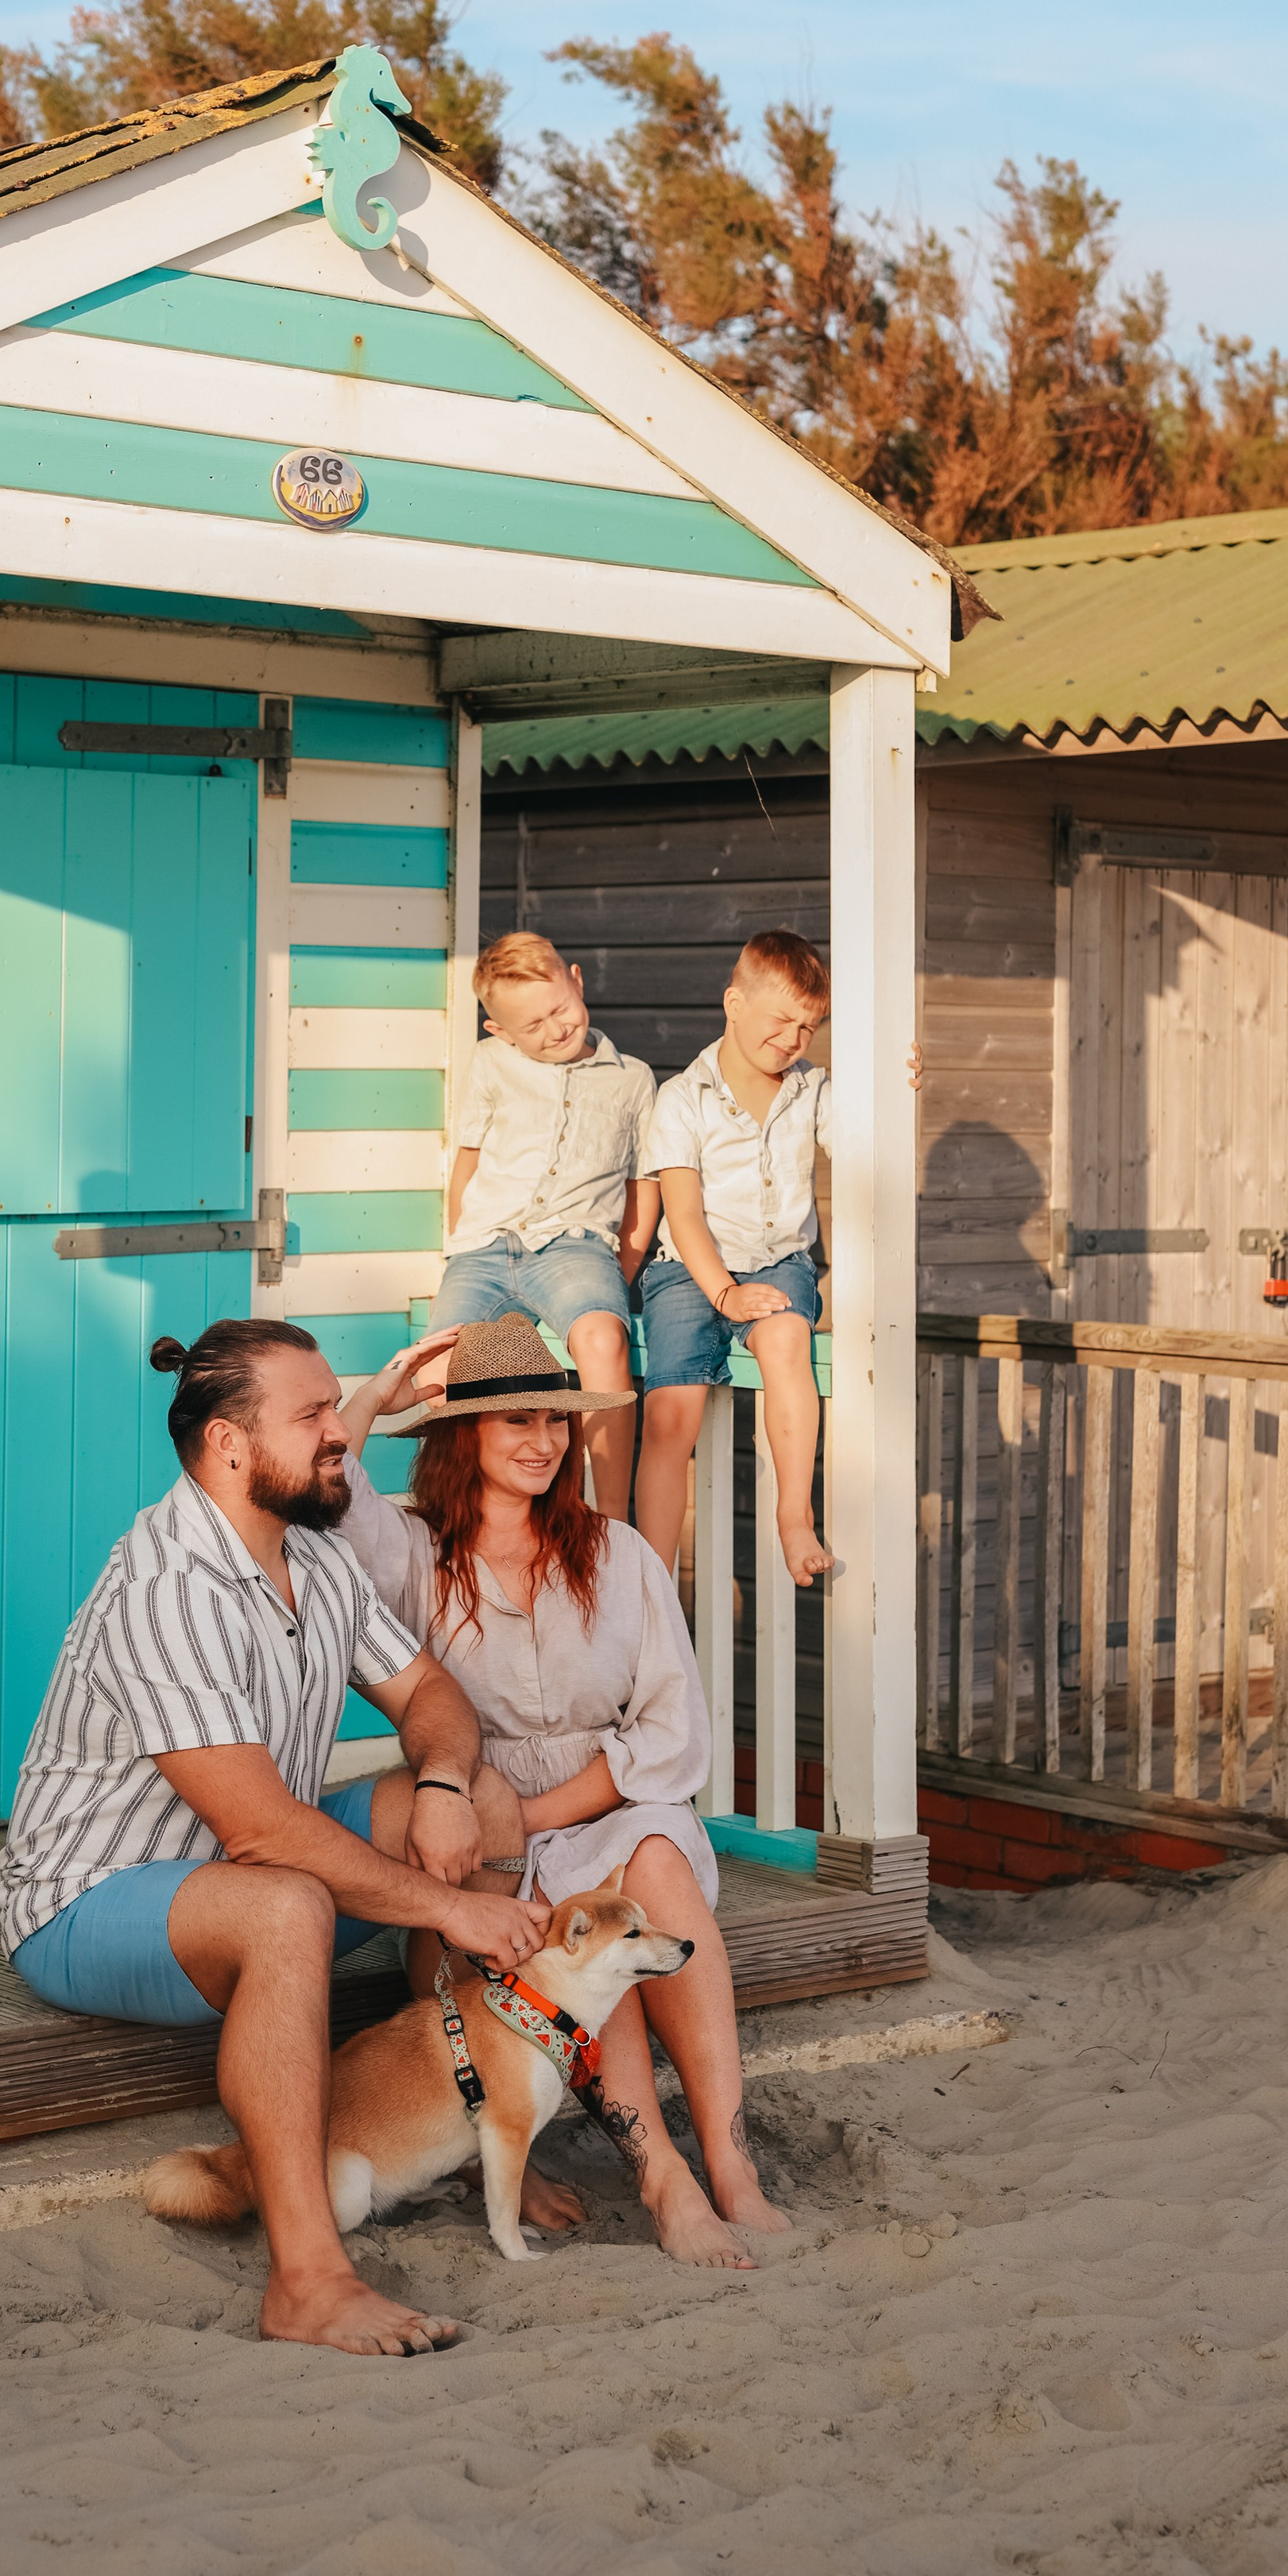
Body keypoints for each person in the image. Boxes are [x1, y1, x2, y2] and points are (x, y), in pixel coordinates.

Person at [0, 1317, 552, 2358]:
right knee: (287, 1902)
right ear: (230, 1445)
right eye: (313, 1417)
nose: (342, 1432)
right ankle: (307, 2280)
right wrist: (449, 1902)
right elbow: (255, 1828)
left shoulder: (314, 1553)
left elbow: (430, 1691)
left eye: (336, 1408)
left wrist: (438, 1781)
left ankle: (471, 2113)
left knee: (487, 1800)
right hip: (90, 1898)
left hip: (237, 1874)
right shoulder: (168, 1587)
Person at [338, 1312, 791, 2272]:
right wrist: (381, 1393)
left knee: (656, 1859)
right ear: (465, 1436)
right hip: (476, 1827)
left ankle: (729, 2158)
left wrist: (544, 1815)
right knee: (586, 1926)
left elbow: (673, 1731)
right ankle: (661, 2173)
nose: (546, 1442)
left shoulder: (618, 1553)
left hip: (604, 1803)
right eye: (517, 1423)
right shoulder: (415, 1552)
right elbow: (324, 1487)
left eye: (555, 1420)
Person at [429, 929, 659, 1516]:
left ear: (577, 982)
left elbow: (642, 1185)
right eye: (532, 1027)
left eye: (560, 1009)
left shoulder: (632, 1079)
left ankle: (607, 1518)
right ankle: (456, 1513)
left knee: (604, 1338)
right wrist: (460, 1243)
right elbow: (470, 1161)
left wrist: (620, 1269)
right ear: (500, 1032)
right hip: (484, 1246)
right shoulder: (490, 1064)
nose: (555, 1029)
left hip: (574, 1247)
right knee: (438, 1364)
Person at [633, 930, 834, 1590]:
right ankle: (653, 1580)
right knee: (671, 1412)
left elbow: (869, 1143)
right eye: (782, 1019)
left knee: (785, 1345)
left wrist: (902, 1088)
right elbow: (682, 1214)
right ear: (734, 1003)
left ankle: (795, 1518)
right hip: (692, 1270)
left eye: (809, 1026)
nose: (794, 1038)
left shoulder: (812, 1090)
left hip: (778, 1261)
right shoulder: (682, 1098)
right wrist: (722, 1294)